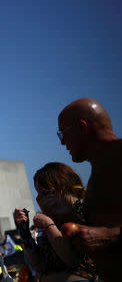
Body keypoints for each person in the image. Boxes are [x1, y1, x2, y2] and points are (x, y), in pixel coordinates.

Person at [57, 98, 122, 281]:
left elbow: (105, 232)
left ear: (82, 127)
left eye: (63, 135)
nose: (62, 143)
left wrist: (108, 236)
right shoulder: (97, 173)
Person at [14, 162, 99, 282]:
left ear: (62, 188)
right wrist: (24, 231)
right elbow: (40, 265)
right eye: (38, 193)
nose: (38, 199)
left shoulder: (82, 212)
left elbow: (71, 260)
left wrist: (49, 226)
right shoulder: (54, 218)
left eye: (45, 193)